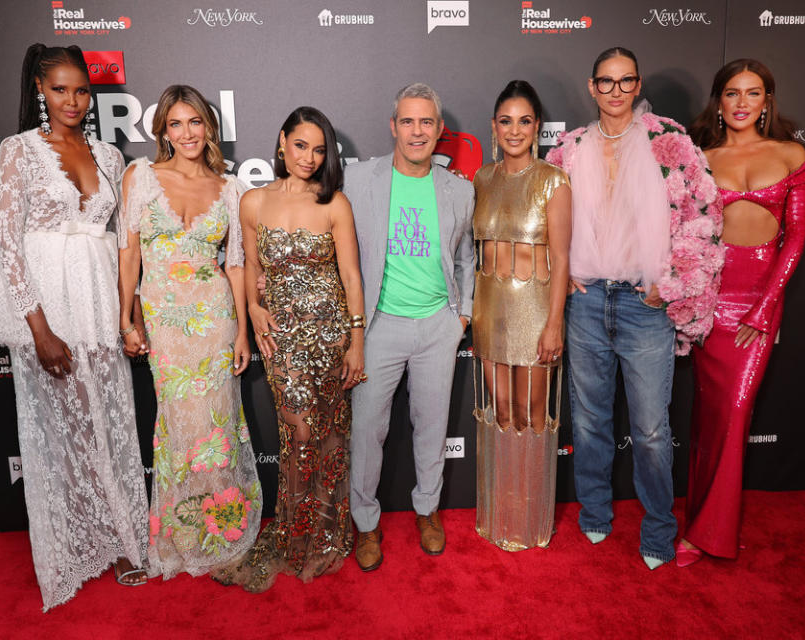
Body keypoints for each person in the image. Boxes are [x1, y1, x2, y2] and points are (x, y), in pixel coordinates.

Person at [0, 44, 149, 610]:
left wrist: (132, 314)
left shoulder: (108, 155)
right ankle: (74, 548)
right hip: (48, 309)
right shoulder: (19, 152)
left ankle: (124, 539)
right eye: (59, 89)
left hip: (99, 303)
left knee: (112, 419)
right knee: (63, 433)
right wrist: (39, 328)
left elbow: (122, 243)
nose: (73, 101)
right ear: (39, 90)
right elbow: (6, 246)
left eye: (82, 90)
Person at [546, 47, 723, 569]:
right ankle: (596, 511)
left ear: (637, 85)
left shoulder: (667, 140)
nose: (616, 90)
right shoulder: (571, 148)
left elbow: (705, 213)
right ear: (592, 86)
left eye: (626, 81)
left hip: (644, 305)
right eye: (607, 81)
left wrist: (670, 283)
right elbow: (547, 218)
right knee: (591, 418)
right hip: (586, 301)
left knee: (649, 428)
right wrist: (568, 273)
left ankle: (658, 529)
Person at [214, 107, 365, 592]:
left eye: (319, 150)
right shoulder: (253, 202)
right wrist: (253, 311)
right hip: (282, 337)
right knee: (297, 433)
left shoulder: (334, 203)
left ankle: (325, 533)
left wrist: (356, 338)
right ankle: (293, 534)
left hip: (329, 334)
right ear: (282, 142)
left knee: (328, 435)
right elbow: (247, 264)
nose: (309, 157)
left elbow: (351, 277)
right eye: (301, 145)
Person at [117, 85, 262, 580]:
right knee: (179, 429)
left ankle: (221, 529)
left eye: (195, 122)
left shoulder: (230, 187)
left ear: (209, 127)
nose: (187, 133)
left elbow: (238, 266)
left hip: (215, 319)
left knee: (217, 426)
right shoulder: (140, 176)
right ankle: (180, 533)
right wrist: (126, 317)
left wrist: (243, 330)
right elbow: (129, 253)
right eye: (175, 124)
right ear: (162, 131)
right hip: (164, 323)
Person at [679, 60, 805, 567]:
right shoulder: (702, 157)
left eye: (752, 93)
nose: (741, 103)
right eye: (731, 93)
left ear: (766, 101)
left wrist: (765, 304)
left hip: (759, 300)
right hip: (709, 297)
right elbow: (688, 232)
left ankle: (710, 531)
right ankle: (697, 520)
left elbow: (795, 238)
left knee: (735, 413)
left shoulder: (791, 154)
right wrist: (691, 294)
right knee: (710, 417)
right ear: (718, 100)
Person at [346, 83, 475, 571]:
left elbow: (466, 260)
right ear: (393, 126)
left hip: (437, 328)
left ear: (440, 130)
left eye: (426, 122)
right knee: (367, 431)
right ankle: (366, 523)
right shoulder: (360, 181)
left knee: (431, 427)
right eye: (407, 121)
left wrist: (460, 317)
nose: (417, 131)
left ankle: (428, 510)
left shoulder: (459, 190)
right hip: (378, 326)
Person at [471, 80, 571, 551]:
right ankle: (504, 511)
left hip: (535, 315)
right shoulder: (482, 180)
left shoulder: (553, 180)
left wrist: (555, 323)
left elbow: (562, 259)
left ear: (537, 128)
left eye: (524, 121)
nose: (515, 130)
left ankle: (531, 514)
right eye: (506, 121)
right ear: (494, 127)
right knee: (502, 412)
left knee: (533, 415)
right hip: (490, 313)